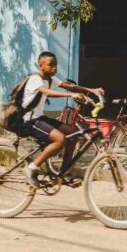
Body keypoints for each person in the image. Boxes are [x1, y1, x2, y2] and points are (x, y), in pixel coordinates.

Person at [22, 51, 105, 187]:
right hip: (29, 121)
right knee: (60, 139)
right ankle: (31, 168)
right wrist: (71, 96)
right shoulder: (35, 79)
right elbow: (47, 92)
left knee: (72, 134)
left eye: (56, 64)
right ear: (41, 65)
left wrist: (92, 90)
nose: (54, 67)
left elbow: (70, 86)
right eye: (50, 65)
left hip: (40, 118)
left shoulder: (50, 79)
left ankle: (63, 174)